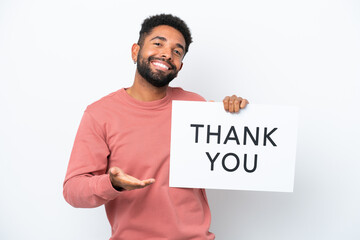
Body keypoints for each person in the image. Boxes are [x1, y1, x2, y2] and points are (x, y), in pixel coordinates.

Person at [63, 13, 248, 239]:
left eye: (177, 51)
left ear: (179, 66)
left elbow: (227, 158)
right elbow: (73, 191)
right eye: (158, 43)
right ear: (135, 51)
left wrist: (237, 115)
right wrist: (111, 183)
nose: (166, 54)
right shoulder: (99, 114)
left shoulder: (195, 105)